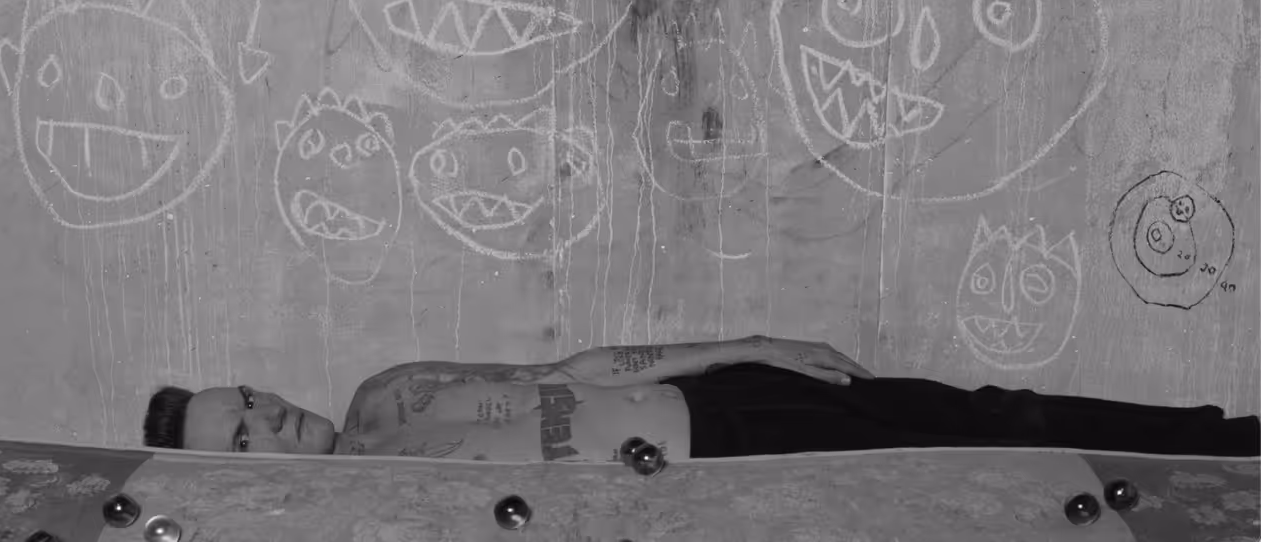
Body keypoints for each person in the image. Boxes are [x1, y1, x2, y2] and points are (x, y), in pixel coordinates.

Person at [145, 335, 1260, 461]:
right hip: (728, 492)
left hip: (731, 402)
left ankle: (1233, 444)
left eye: (249, 395)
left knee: (993, 414)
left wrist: (748, 345)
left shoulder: (388, 388)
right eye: (241, 438)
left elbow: (573, 371)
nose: (270, 413)